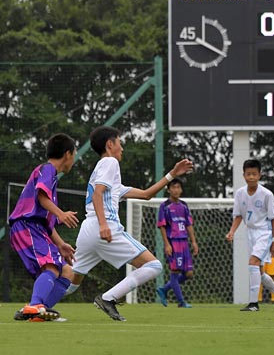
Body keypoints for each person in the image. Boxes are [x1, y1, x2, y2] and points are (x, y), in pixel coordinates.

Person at [66, 126, 193, 321]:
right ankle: (108, 298)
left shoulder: (107, 177)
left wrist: (172, 174)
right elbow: (98, 193)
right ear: (110, 144)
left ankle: (36, 304)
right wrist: (103, 225)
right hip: (103, 226)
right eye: (120, 142)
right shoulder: (109, 162)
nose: (122, 148)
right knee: (154, 266)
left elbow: (146, 194)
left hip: (87, 230)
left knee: (72, 283)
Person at [9, 133, 79, 322]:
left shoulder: (51, 179)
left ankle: (39, 313)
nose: (74, 159)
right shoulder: (47, 170)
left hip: (34, 228)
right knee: (51, 266)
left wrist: (61, 244)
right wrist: (61, 213)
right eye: (75, 153)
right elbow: (41, 197)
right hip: (27, 226)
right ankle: (35, 305)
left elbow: (46, 223)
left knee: (67, 272)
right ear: (67, 154)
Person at [226, 159, 274, 312]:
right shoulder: (240, 194)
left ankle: (253, 303)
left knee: (252, 262)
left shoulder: (267, 194)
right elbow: (239, 215)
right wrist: (232, 231)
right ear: (244, 175)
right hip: (250, 233)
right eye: (248, 174)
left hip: (264, 233)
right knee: (258, 272)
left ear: (260, 175)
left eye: (254, 174)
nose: (251, 177)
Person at [155, 178, 198, 308]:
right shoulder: (165, 206)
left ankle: (164, 289)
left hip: (184, 241)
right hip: (173, 242)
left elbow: (189, 224)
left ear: (181, 189)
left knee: (188, 273)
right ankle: (181, 302)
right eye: (173, 187)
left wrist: (194, 242)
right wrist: (167, 244)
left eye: (178, 187)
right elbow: (162, 226)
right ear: (168, 190)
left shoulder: (184, 205)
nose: (176, 190)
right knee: (175, 271)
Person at [258, 233, 274, 303]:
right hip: (261, 255)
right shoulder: (260, 230)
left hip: (271, 256)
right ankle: (258, 299)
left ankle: (273, 299)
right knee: (259, 276)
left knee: (272, 277)